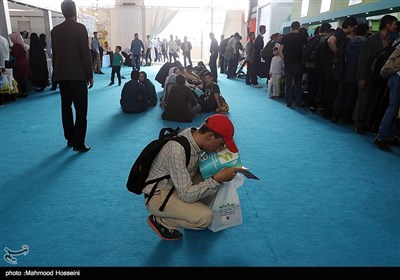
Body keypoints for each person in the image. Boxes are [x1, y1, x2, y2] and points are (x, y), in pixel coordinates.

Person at [144, 113, 246, 240]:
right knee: (204, 218)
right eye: (220, 144)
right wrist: (217, 179)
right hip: (159, 195)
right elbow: (186, 195)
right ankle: (160, 220)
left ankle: (187, 211)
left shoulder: (195, 134)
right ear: (210, 136)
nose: (219, 148)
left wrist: (220, 163)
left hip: (177, 185)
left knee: (217, 174)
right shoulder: (177, 150)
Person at [51, 0, 93, 152]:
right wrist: (90, 74)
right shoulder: (80, 28)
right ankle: (79, 143)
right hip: (78, 75)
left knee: (66, 107)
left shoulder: (55, 30)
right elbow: (85, 54)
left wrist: (55, 75)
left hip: (62, 76)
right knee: (81, 110)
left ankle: (70, 138)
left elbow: (55, 55)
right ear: (75, 11)